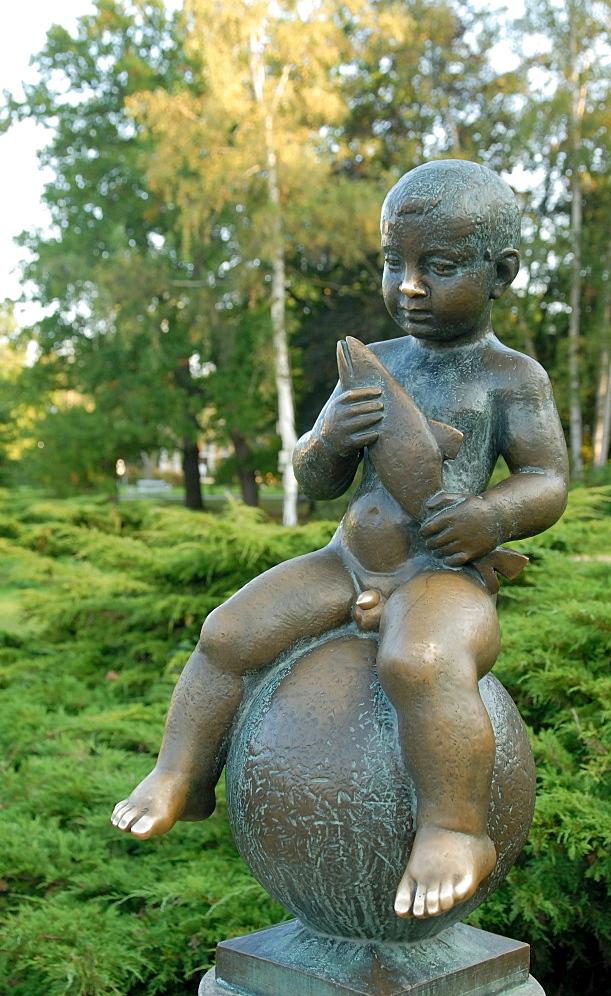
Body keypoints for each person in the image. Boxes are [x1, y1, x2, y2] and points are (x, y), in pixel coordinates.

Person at [112, 159, 569, 921]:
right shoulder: (375, 367)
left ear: (502, 274)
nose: (410, 285)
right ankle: (181, 778)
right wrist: (327, 438)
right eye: (395, 263)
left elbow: (547, 479)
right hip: (346, 559)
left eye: (440, 266)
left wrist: (491, 518)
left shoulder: (509, 377)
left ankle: (458, 828)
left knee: (421, 661)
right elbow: (316, 480)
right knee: (227, 633)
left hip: (440, 573)